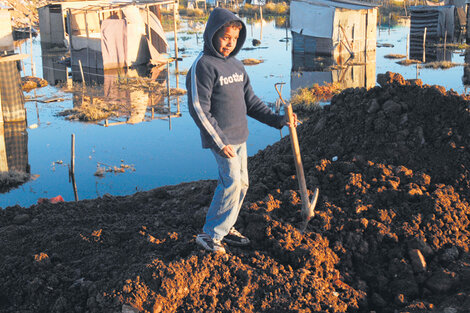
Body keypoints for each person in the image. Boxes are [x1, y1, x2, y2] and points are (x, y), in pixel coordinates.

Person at [186, 7, 296, 253]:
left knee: (243, 183)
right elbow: (198, 108)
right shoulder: (203, 66)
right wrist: (218, 140)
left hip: (239, 137)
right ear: (212, 34)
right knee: (231, 182)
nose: (229, 43)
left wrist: (278, 121)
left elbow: (251, 102)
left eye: (234, 39)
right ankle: (210, 234)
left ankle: (226, 226)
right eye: (225, 37)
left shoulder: (236, 66)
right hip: (221, 139)